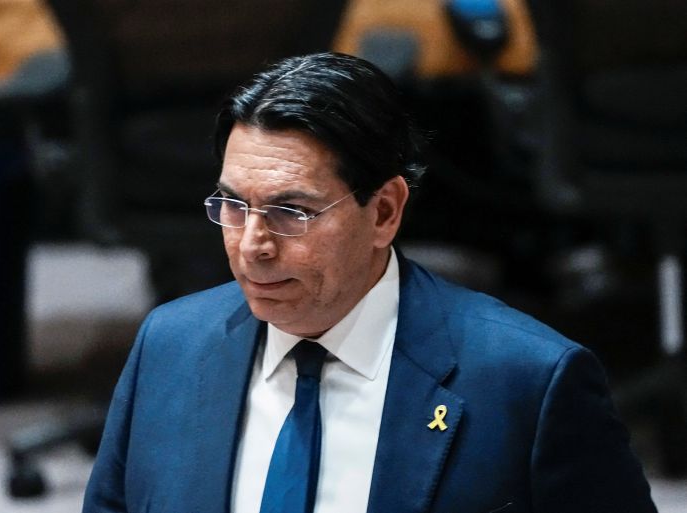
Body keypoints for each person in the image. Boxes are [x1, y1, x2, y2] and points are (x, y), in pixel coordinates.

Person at [82, 52, 656, 513]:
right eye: (234, 206)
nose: (252, 245)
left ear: (383, 212)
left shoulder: (528, 383)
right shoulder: (169, 345)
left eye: (290, 211)